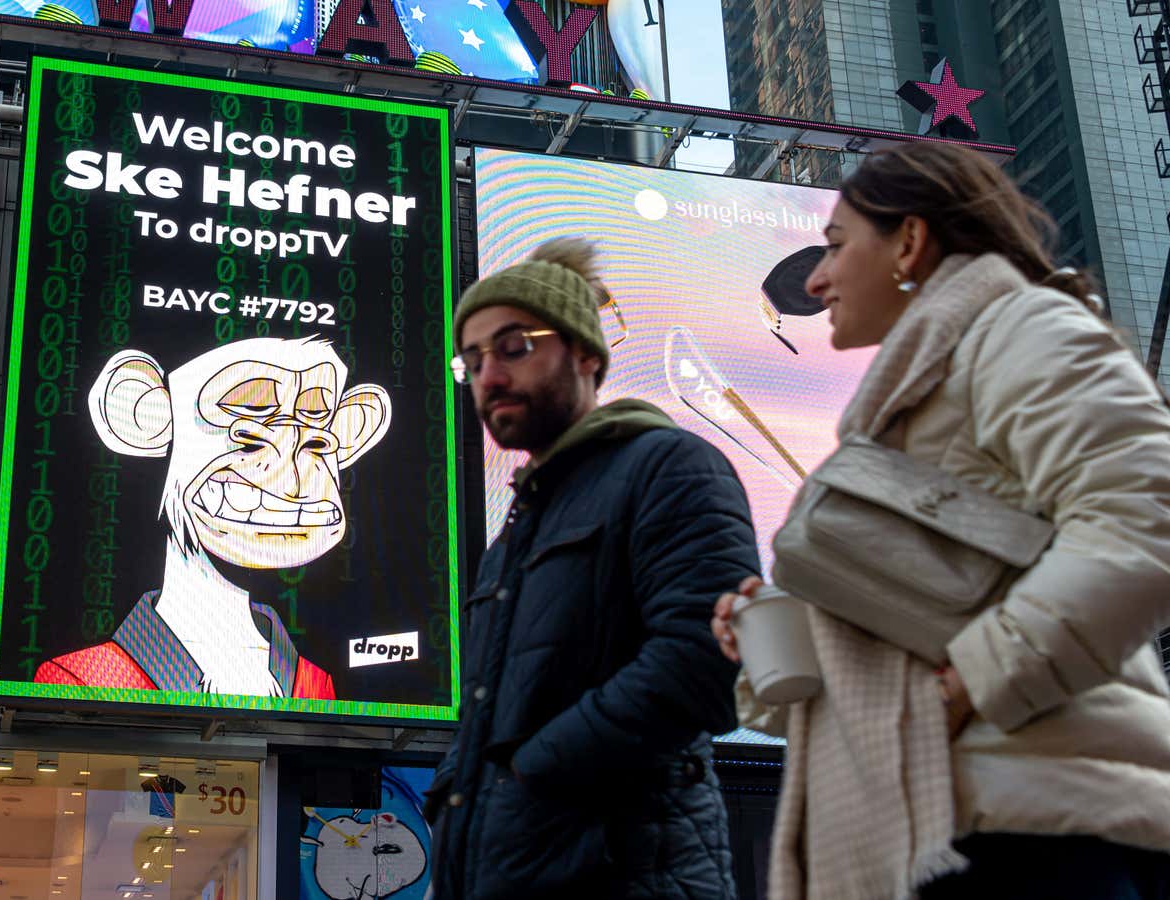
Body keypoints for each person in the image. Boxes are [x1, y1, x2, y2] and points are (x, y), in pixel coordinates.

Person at [712, 141, 1170, 899]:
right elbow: (912, 652)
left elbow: (1145, 516)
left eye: (833, 247)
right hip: (953, 833)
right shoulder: (912, 397)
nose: (819, 279)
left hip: (1038, 838)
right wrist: (772, 648)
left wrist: (973, 684)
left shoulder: (1021, 329)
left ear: (911, 242)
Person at [427, 238, 759, 898]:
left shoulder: (668, 466)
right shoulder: (519, 526)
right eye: (473, 359)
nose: (488, 374)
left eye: (514, 345)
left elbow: (704, 663)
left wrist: (529, 772)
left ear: (585, 352)